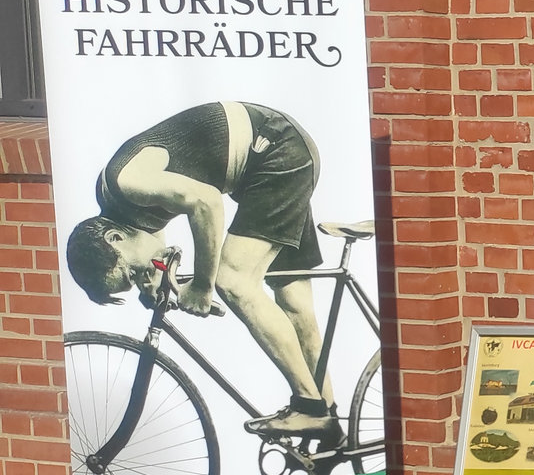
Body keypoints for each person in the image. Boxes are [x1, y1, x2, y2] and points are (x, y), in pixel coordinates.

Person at [64, 100, 339, 439]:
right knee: (293, 301)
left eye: (133, 274)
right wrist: (155, 278)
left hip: (274, 150)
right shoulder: (120, 207)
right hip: (277, 155)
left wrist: (203, 286)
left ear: (115, 238)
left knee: (233, 280)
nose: (141, 278)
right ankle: (330, 424)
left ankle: (309, 407)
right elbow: (156, 242)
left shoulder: (128, 182)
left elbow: (206, 201)